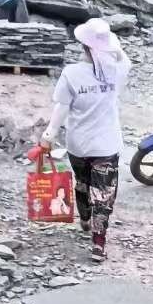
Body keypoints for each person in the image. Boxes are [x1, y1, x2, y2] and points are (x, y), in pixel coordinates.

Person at [41, 17, 131, 262]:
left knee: (82, 182)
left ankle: (84, 218)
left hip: (78, 144)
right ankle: (98, 243)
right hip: (106, 145)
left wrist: (48, 135)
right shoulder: (116, 72)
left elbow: (61, 107)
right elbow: (124, 59)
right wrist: (112, 46)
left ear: (83, 46)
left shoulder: (71, 74)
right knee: (104, 193)